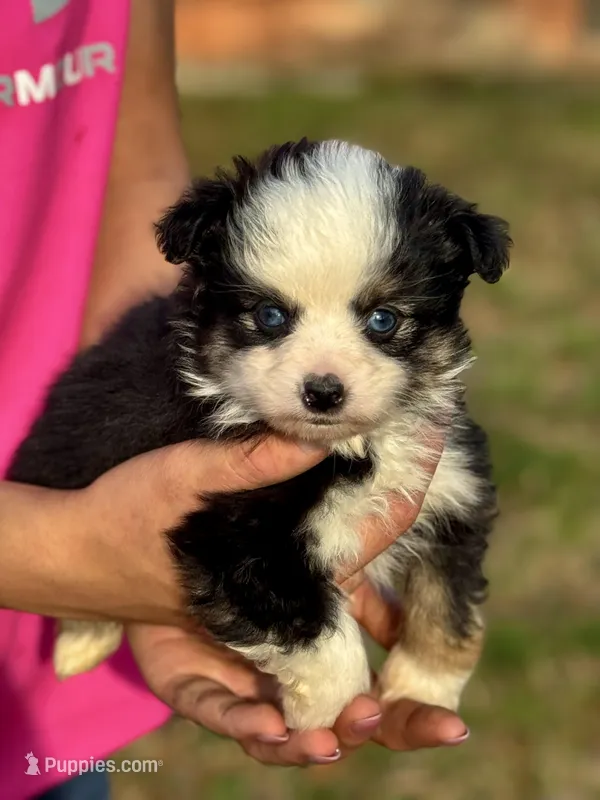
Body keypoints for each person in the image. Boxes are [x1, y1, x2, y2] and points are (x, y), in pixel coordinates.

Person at [0, 1, 469, 798]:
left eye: (381, 320)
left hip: (46, 715)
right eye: (273, 317)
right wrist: (66, 562)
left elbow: (133, 169)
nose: (324, 373)